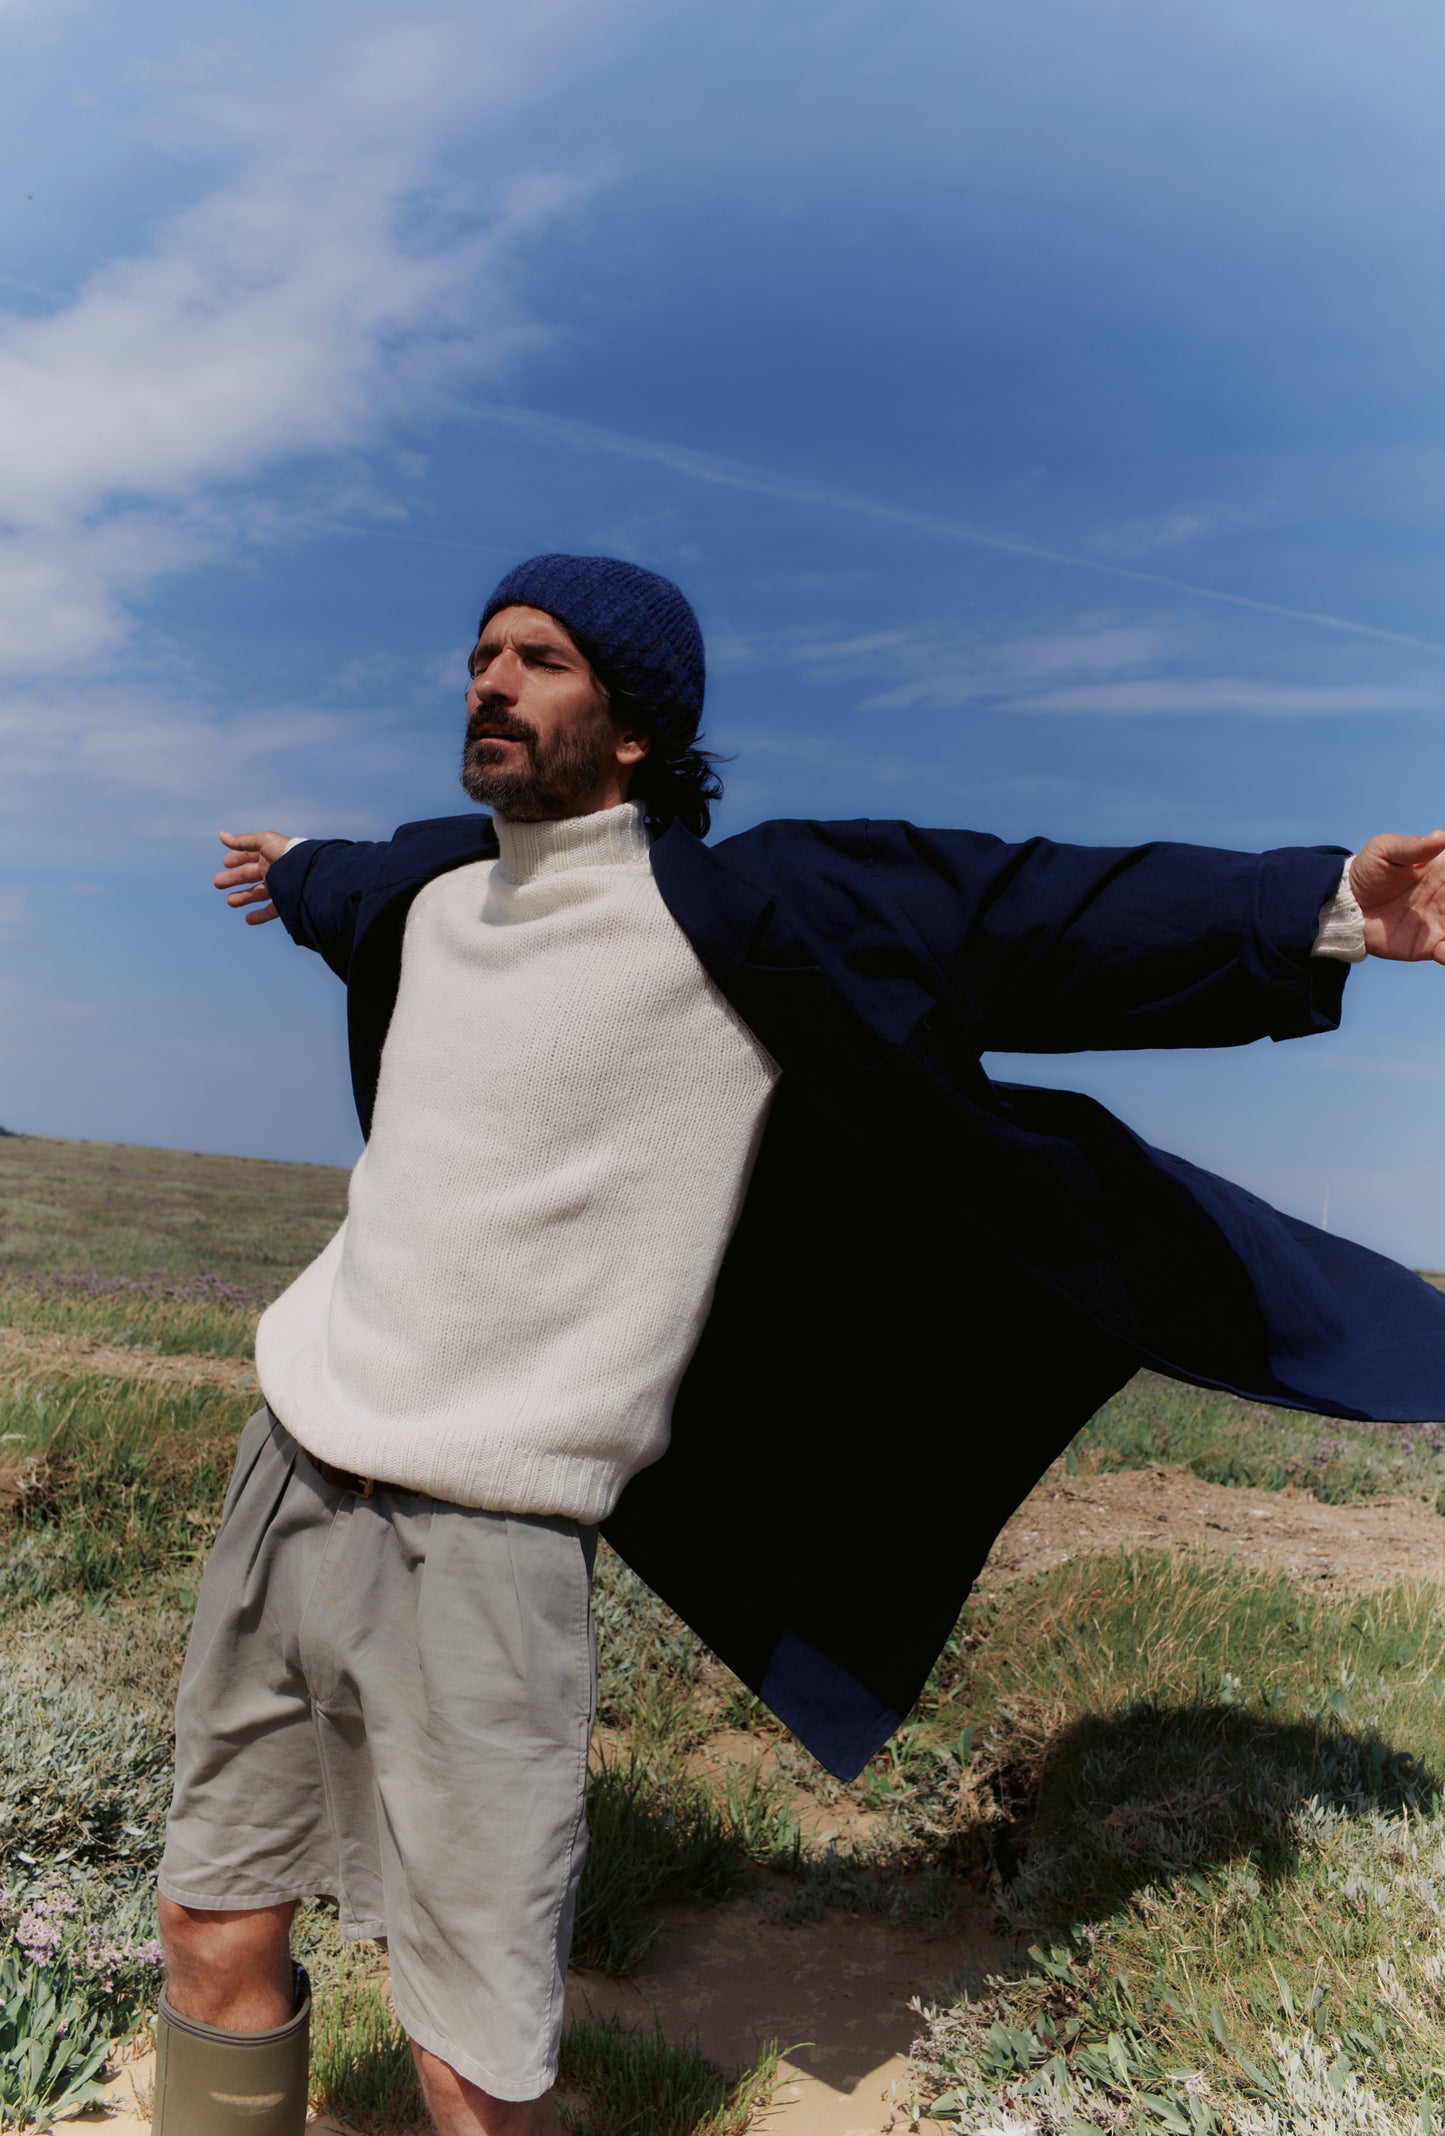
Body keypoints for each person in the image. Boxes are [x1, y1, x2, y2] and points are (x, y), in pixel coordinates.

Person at [154, 552, 1445, 2136]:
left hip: (489, 1538)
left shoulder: (752, 910)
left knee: (470, 2063)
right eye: (482, 652)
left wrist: (1329, 907)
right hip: (287, 1468)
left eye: (539, 659)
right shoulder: (423, 888)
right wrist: (288, 866)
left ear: (635, 727)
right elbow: (338, 885)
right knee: (209, 1925)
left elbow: (1032, 909)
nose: (489, 678)